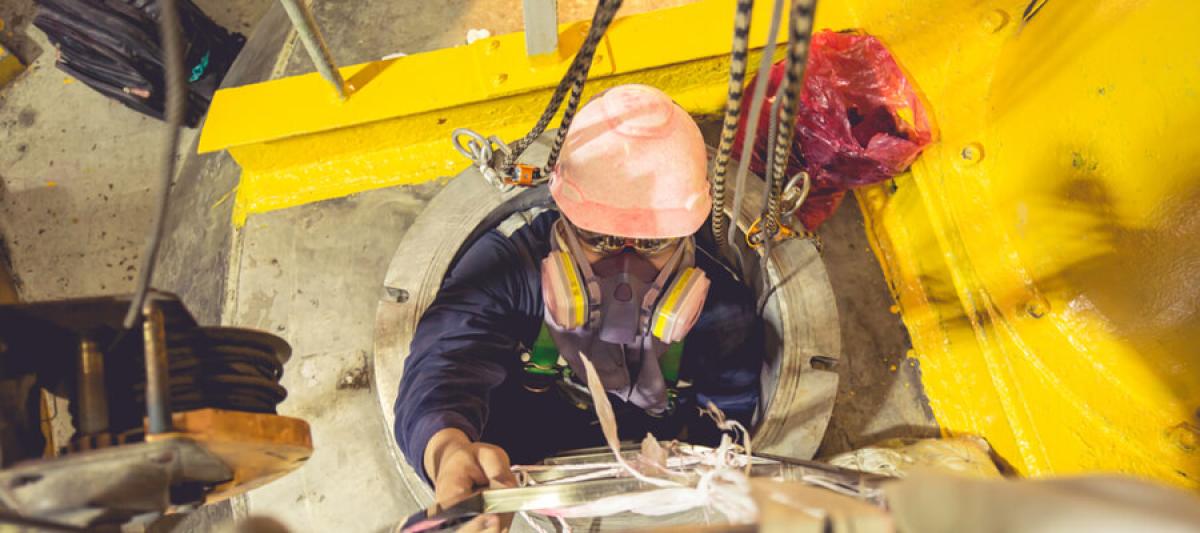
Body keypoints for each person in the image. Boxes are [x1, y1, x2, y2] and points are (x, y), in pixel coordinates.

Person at [393, 84, 764, 510]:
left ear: (689, 232)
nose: (626, 267)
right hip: (526, 430)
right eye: (597, 238)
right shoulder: (510, 268)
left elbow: (730, 419)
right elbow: (445, 360)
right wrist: (447, 450)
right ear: (563, 213)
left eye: (653, 243)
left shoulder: (721, 311)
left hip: (648, 446)